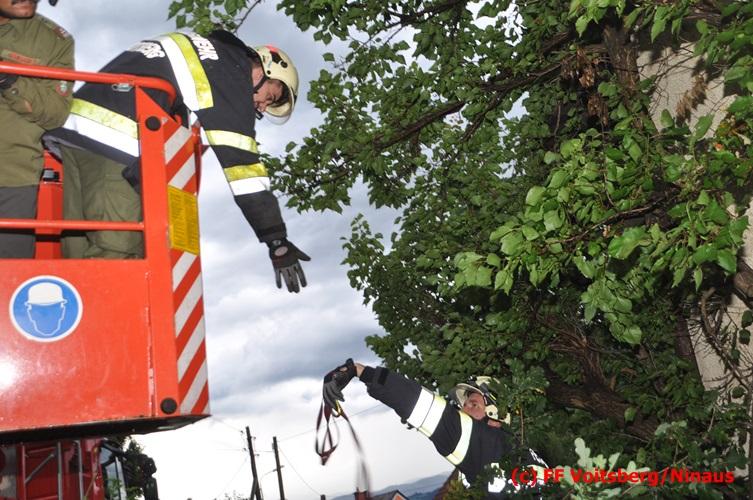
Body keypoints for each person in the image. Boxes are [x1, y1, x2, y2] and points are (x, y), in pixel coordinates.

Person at [46, 31, 309, 292]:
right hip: (113, 141)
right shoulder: (232, 73)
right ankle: (102, 314)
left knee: (76, 246)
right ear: (265, 69)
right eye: (269, 97)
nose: (261, 107)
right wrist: (276, 240)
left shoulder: (206, 52)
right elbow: (243, 169)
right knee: (117, 249)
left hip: (75, 133)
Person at [323, 359, 548, 498]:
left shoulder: (483, 440)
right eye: (464, 405)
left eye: (473, 404)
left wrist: (359, 370)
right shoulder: (521, 451)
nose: (464, 410)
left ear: (496, 414)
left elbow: (422, 405)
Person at [0, 0, 73, 258]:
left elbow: (56, 114)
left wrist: (8, 78)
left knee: (9, 277)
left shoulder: (53, 40)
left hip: (11, 181)